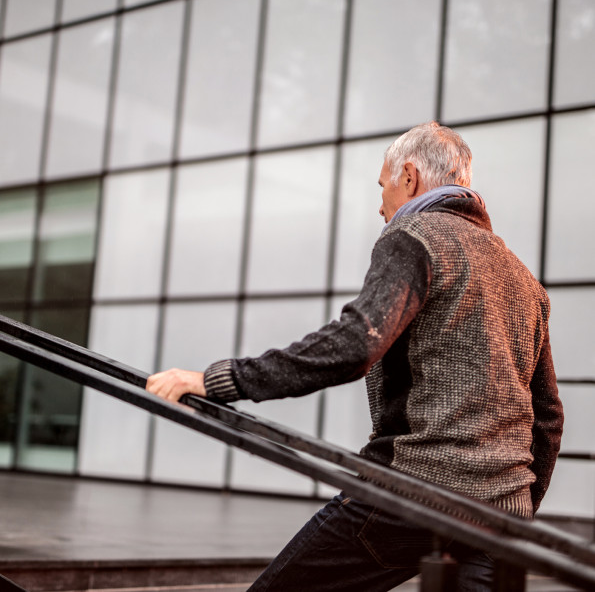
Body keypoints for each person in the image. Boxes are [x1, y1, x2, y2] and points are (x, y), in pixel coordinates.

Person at [146, 121, 563, 591]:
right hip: (499, 518)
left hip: (413, 493)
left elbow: (356, 343)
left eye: (382, 184)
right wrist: (518, 507)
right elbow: (547, 416)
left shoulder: (414, 235)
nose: (379, 203)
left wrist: (221, 380)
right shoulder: (523, 277)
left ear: (409, 176)